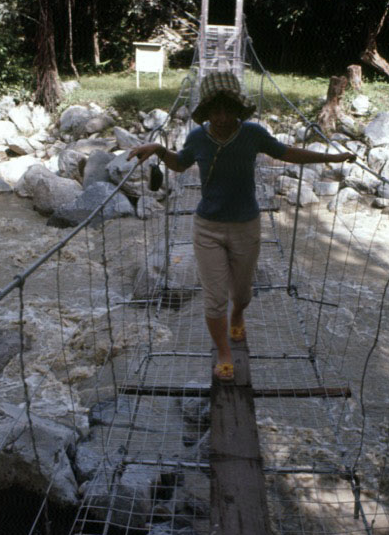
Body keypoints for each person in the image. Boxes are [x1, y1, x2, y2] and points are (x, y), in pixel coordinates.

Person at [128, 71, 355, 381]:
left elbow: (286, 152)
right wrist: (157, 149)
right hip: (207, 227)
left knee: (243, 293)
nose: (221, 117)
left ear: (239, 109)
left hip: (246, 226)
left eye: (228, 109)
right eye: (214, 110)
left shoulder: (252, 134)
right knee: (214, 296)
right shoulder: (197, 138)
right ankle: (223, 351)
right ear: (206, 113)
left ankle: (238, 314)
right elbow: (179, 163)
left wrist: (331, 156)